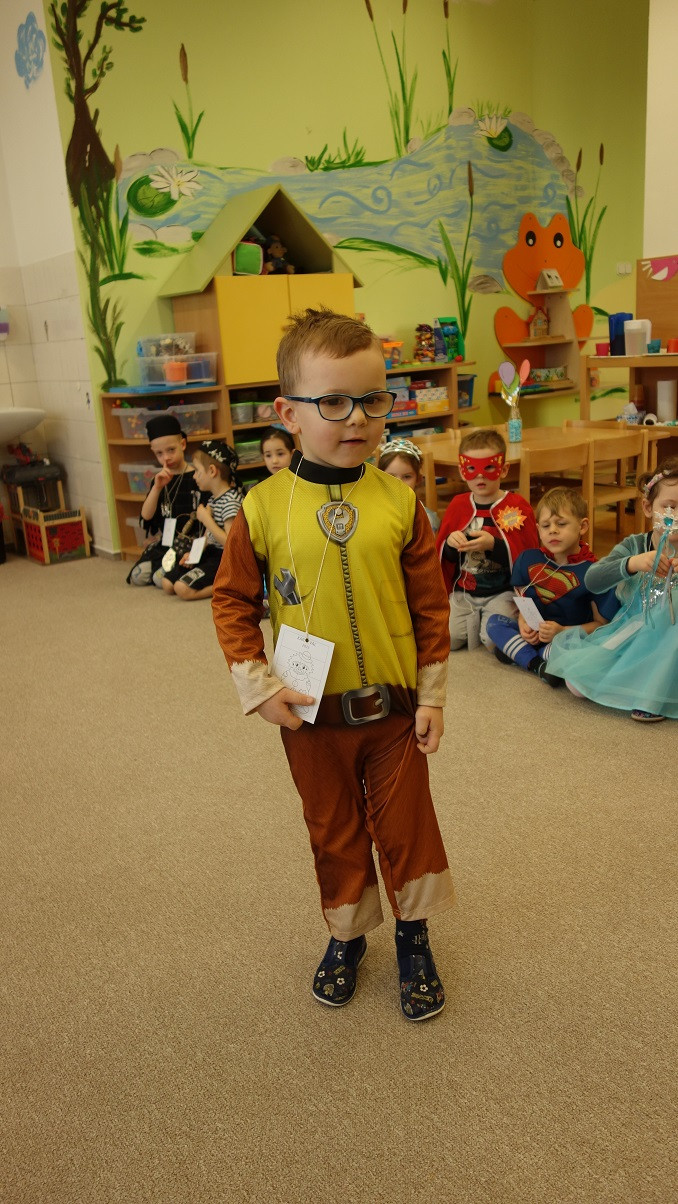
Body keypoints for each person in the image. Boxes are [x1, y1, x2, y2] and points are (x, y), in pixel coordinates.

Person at [211, 307, 454, 1021]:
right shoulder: (260, 508)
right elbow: (231, 602)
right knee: (333, 828)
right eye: (335, 403)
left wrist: (433, 695)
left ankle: (414, 936)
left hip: (395, 709)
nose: (358, 420)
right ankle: (347, 933)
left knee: (407, 826)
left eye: (373, 401)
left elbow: (431, 606)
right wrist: (259, 687)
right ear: (287, 413)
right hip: (310, 714)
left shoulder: (401, 503)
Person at [546, 459, 678, 721]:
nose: (676, 515)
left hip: (673, 642)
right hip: (634, 631)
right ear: (648, 508)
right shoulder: (635, 545)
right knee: (578, 683)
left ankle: (650, 697)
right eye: (670, 507)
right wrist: (632, 563)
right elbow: (593, 580)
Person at [486, 487, 614, 685]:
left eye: (561, 524)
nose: (552, 530)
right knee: (494, 623)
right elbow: (522, 599)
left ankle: (520, 654)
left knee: (575, 650)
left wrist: (562, 631)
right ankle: (538, 665)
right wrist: (523, 622)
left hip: (565, 638)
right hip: (535, 634)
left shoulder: (594, 572)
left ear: (582, 526)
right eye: (546, 526)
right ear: (538, 529)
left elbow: (601, 626)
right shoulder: (528, 559)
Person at [434, 428, 539, 650]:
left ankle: (487, 623)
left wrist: (493, 545)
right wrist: (450, 544)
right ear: (462, 471)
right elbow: (444, 558)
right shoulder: (458, 505)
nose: (480, 475)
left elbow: (528, 556)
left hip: (502, 592)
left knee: (492, 642)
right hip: (464, 592)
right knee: (450, 640)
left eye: (489, 467)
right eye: (471, 468)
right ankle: (475, 620)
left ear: (504, 469)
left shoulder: (517, 506)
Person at [127, 413, 204, 587]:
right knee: (138, 576)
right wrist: (157, 487)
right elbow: (146, 517)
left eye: (171, 450)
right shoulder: (160, 479)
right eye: (159, 453)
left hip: (191, 546)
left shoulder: (197, 477)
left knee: (159, 579)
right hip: (167, 546)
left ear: (182, 444)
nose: (166, 457)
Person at [161, 440, 243, 601]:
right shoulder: (213, 499)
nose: (194, 475)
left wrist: (206, 520)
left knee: (182, 589)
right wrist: (193, 555)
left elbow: (231, 543)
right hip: (211, 553)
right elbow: (207, 536)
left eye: (197, 471)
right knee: (167, 583)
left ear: (212, 471)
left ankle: (233, 584)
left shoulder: (231, 501)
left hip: (226, 558)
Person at [378, 437, 440, 531]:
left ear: (418, 479)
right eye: (391, 476)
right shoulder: (370, 512)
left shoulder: (426, 519)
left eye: (407, 477)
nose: (399, 483)